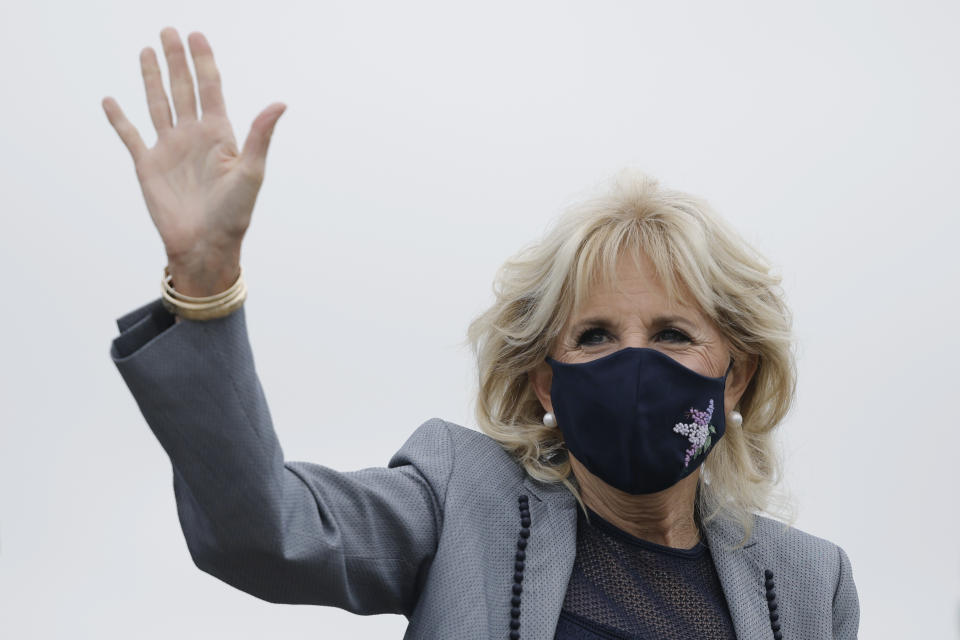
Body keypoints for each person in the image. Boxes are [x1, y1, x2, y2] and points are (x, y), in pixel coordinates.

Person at [103, 27, 860, 640]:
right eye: (595, 335)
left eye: (671, 333)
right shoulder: (460, 503)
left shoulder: (809, 586)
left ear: (736, 375)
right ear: (544, 379)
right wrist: (205, 287)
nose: (634, 362)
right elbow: (264, 531)